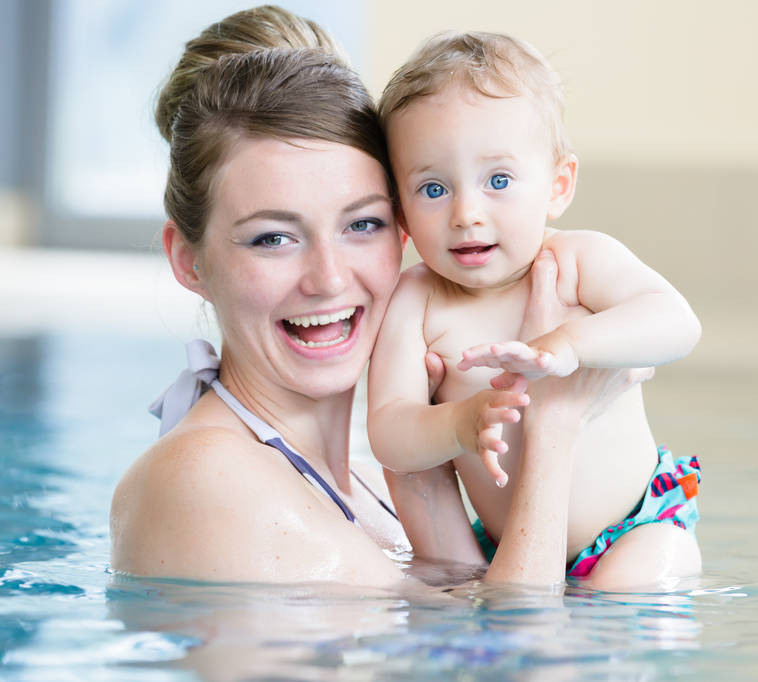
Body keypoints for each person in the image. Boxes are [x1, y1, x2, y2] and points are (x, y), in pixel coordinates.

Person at [109, 5, 654, 589]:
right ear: (189, 260)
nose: (329, 278)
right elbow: (522, 652)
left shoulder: (372, 482)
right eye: (274, 237)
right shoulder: (205, 478)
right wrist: (552, 423)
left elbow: (464, 641)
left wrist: (429, 478)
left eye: (361, 225)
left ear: (404, 229)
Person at [367, 31, 703, 588]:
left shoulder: (576, 261)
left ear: (557, 185)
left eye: (497, 180)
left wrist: (570, 345)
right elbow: (389, 434)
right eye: (432, 189)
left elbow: (676, 323)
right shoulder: (416, 300)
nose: (466, 213)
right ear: (399, 207)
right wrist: (456, 422)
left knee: (630, 591)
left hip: (639, 527)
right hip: (506, 544)